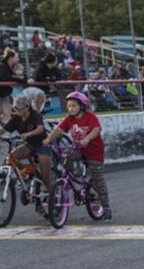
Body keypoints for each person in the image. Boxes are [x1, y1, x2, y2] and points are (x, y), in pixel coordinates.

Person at [43, 91, 112, 220]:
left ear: (82, 106)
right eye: (69, 106)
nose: (71, 108)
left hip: (94, 150)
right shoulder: (70, 118)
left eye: (74, 106)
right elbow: (59, 129)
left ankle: (106, 208)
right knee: (65, 155)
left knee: (98, 179)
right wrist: (48, 139)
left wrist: (87, 139)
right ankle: (71, 178)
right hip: (78, 148)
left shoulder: (90, 116)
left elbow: (96, 129)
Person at [0, 95, 53, 203]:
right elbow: (5, 128)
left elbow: (40, 129)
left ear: (27, 107)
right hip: (30, 145)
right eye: (15, 108)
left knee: (45, 177)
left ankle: (53, 197)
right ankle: (25, 173)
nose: (17, 110)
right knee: (11, 157)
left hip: (42, 145)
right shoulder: (16, 118)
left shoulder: (35, 115)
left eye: (19, 108)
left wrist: (29, 133)